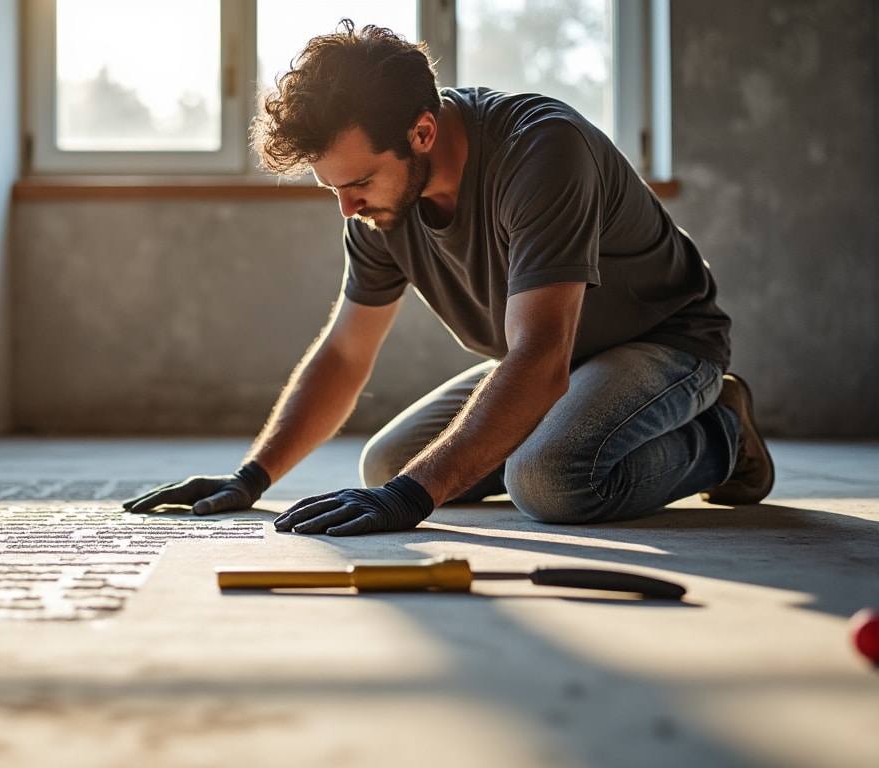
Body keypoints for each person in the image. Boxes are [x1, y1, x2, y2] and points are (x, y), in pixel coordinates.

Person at [123, 20, 774, 535]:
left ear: (424, 131)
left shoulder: (542, 152)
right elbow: (347, 353)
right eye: (334, 190)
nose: (348, 209)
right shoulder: (379, 210)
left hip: (664, 342)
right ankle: (572, 423)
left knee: (547, 480)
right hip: (559, 356)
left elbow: (540, 356)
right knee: (384, 465)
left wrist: (415, 496)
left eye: (357, 183)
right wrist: (252, 476)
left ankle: (722, 434)